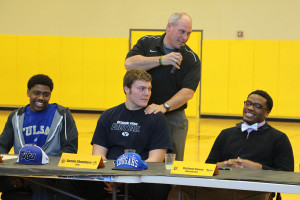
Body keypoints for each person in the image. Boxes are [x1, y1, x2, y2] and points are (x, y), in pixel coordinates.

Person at [66, 69, 172, 200]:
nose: (147, 93)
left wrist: (124, 178)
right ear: (126, 89)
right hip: (108, 176)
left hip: (140, 177)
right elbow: (98, 155)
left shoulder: (157, 118)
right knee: (71, 181)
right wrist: (110, 177)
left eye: (149, 89)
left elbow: (155, 160)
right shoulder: (108, 116)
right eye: (141, 89)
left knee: (159, 187)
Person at [169, 90, 294, 200]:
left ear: (267, 113)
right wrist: (224, 165)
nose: (250, 108)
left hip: (255, 191)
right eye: (248, 103)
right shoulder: (226, 134)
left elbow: (287, 175)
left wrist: (257, 167)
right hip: (222, 187)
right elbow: (208, 167)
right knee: (179, 190)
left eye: (257, 106)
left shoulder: (278, 138)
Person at [125, 12, 201, 161]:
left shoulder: (191, 59)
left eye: (188, 33)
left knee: (172, 162)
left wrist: (164, 107)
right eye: (181, 31)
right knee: (137, 155)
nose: (185, 37)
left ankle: (173, 185)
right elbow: (129, 64)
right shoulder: (147, 43)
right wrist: (161, 60)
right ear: (169, 27)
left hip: (173, 116)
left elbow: (188, 92)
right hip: (139, 113)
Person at [0, 74, 78, 199]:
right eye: (36, 93)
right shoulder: (16, 117)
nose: (41, 98)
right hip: (21, 172)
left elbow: (70, 148)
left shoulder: (62, 115)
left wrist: (47, 171)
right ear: (28, 92)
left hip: (50, 174)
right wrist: (10, 171)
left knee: (42, 183)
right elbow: (2, 146)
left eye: (46, 94)